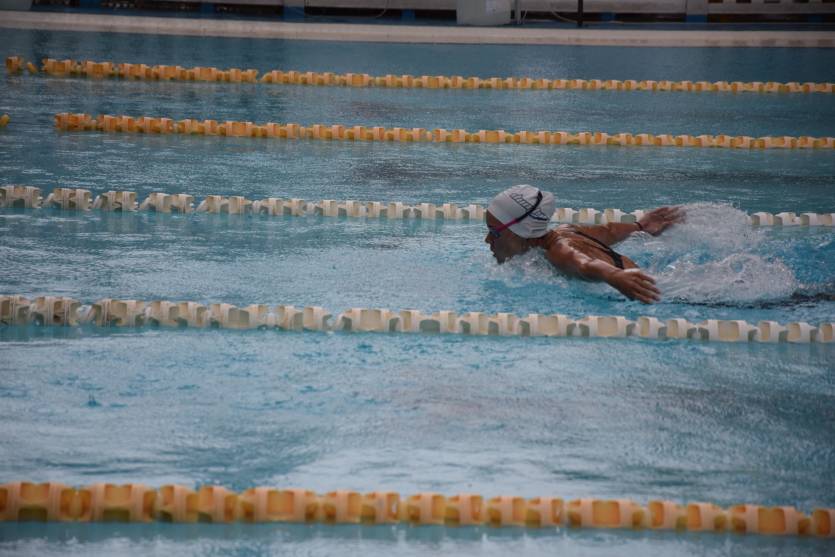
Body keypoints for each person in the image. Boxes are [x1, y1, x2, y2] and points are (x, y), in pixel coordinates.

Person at [484, 185, 685, 305]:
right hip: (654, 279)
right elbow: (609, 231)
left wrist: (613, 275)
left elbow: (583, 264)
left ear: (523, 230)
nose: (488, 240)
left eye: (494, 232)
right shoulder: (566, 230)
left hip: (658, 293)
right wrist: (640, 226)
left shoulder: (557, 253)